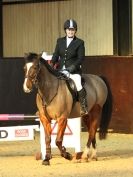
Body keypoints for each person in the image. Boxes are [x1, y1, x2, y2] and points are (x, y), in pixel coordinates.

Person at [50, 19, 88, 117]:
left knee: (78, 82)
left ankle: (83, 106)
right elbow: (56, 54)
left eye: (72, 30)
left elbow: (81, 58)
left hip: (73, 71)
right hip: (60, 70)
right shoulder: (60, 41)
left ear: (75, 31)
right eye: (68, 29)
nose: (70, 31)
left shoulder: (79, 42)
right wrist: (52, 63)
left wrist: (72, 67)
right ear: (65, 30)